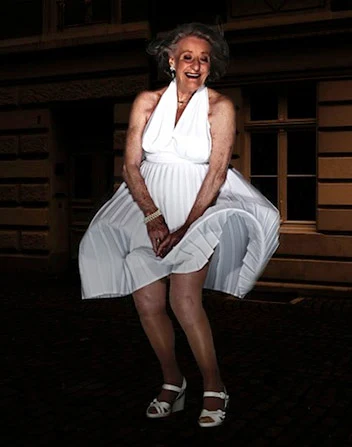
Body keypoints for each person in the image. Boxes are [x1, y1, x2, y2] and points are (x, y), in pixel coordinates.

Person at [78, 22, 280, 428]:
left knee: (185, 302)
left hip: (196, 208)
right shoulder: (146, 102)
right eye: (187, 57)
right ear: (171, 61)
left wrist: (187, 226)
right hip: (144, 209)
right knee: (147, 304)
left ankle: (215, 386)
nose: (196, 65)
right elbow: (130, 166)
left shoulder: (219, 107)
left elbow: (217, 172)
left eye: (204, 59)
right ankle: (173, 381)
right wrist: (153, 217)